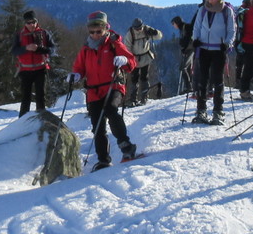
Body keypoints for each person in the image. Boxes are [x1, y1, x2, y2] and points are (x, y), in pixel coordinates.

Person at [70, 11, 139, 170]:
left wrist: (124, 60)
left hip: (113, 86)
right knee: (97, 126)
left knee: (111, 110)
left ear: (106, 28)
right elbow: (79, 67)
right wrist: (76, 75)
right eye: (92, 31)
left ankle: (126, 146)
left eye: (98, 31)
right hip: (93, 91)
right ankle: (103, 160)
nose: (95, 34)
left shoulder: (114, 43)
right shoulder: (86, 48)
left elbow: (131, 62)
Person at [190, 0, 236, 125]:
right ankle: (201, 110)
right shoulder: (202, 10)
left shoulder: (227, 11)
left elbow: (232, 30)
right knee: (202, 80)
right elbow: (197, 27)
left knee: (218, 81)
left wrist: (227, 43)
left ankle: (218, 111)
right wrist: (195, 40)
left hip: (219, 49)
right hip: (203, 48)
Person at [16, 10, 56, 117]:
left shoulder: (44, 33)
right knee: (25, 98)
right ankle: (22, 121)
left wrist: (40, 49)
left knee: (40, 97)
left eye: (33, 22)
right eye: (28, 23)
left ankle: (42, 119)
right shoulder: (19, 35)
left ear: (36, 22)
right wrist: (26, 48)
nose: (31, 25)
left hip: (40, 69)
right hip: (25, 70)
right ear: (25, 23)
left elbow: (53, 50)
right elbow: (14, 50)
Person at [125, 18, 163, 105]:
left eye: (140, 28)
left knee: (144, 77)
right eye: (137, 28)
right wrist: (130, 59)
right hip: (135, 59)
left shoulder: (146, 30)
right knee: (134, 79)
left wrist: (155, 32)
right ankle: (133, 98)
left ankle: (144, 97)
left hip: (145, 58)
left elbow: (159, 36)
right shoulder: (130, 34)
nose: (139, 30)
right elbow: (127, 47)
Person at [169, 16, 195, 95]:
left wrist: (184, 47)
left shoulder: (185, 27)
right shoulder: (183, 28)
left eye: (173, 23)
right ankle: (190, 86)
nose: (173, 25)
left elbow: (188, 39)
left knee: (183, 68)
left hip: (190, 49)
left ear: (177, 23)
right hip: (190, 49)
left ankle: (189, 87)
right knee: (188, 68)